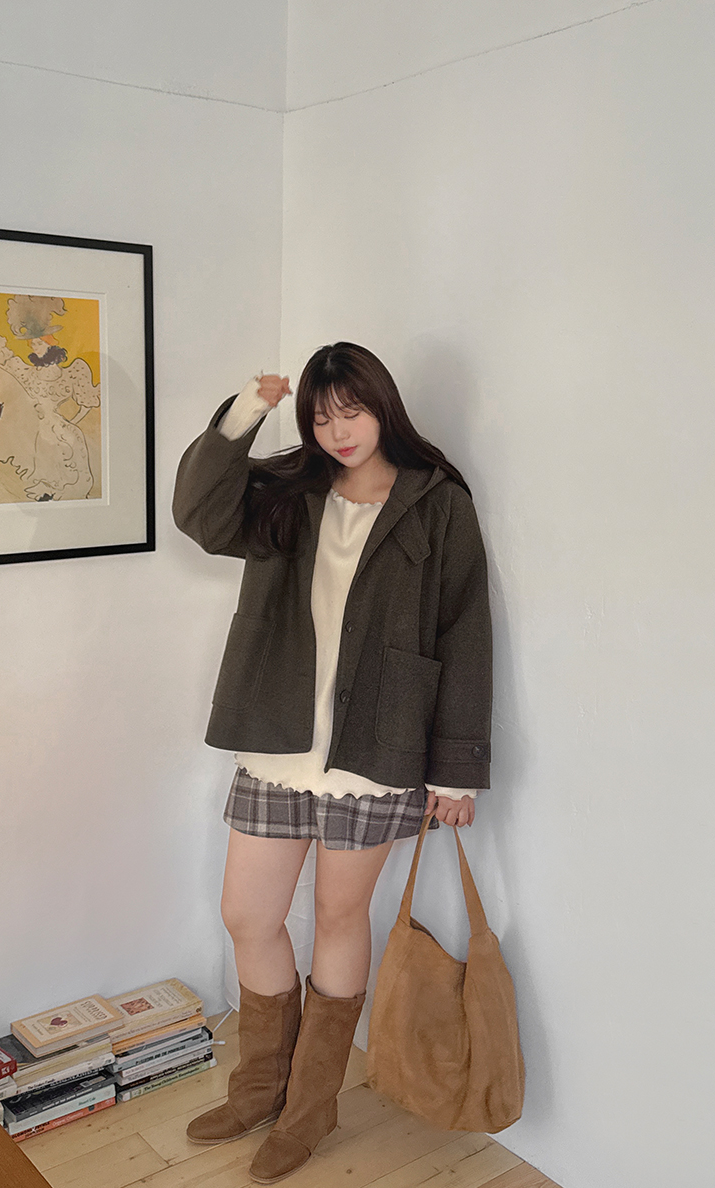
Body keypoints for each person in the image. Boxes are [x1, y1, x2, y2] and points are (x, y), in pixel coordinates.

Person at [173, 342, 492, 1183]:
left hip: (378, 747)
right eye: (320, 417)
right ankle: (258, 1089)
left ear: (382, 406)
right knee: (248, 914)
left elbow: (465, 630)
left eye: (351, 410)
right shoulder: (287, 492)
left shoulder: (437, 503)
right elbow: (199, 515)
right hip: (277, 742)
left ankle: (309, 1109)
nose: (337, 429)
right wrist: (247, 411)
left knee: (340, 919)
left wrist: (456, 769)